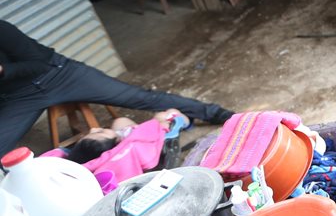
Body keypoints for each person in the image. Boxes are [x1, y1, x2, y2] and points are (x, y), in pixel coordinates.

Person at [0, 19, 234, 154]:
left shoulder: (2, 29)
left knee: (141, 98)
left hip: (60, 73)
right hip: (20, 97)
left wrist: (3, 71)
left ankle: (215, 113)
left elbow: (39, 65)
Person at [62, 109, 186, 187]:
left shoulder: (107, 153)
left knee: (119, 121)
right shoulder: (131, 144)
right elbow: (154, 127)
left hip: (130, 134)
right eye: (100, 132)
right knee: (168, 112)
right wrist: (159, 121)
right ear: (114, 144)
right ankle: (187, 122)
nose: (93, 128)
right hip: (155, 141)